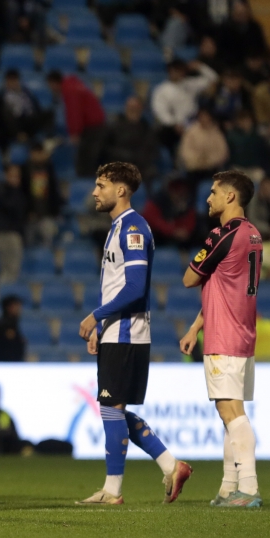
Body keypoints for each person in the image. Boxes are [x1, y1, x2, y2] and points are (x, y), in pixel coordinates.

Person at [76, 162, 192, 506]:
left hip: (128, 333)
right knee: (112, 408)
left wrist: (96, 316)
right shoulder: (117, 228)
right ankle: (171, 466)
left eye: (101, 185)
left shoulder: (133, 228)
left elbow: (135, 288)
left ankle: (113, 491)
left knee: (111, 408)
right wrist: (102, 327)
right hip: (117, 332)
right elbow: (116, 287)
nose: (95, 192)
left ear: (121, 190)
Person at [180, 170, 263, 508]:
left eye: (214, 192)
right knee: (229, 411)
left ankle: (249, 488)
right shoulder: (253, 234)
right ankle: (229, 487)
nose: (208, 198)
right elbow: (224, 285)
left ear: (230, 196)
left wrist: (203, 255)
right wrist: (195, 327)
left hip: (225, 336)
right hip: (242, 333)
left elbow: (189, 279)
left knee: (231, 412)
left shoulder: (223, 234)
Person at [151, 60, 218, 153]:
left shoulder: (190, 83)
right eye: (175, 70)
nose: (178, 73)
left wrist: (200, 67)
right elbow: (160, 111)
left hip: (194, 123)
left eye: (181, 70)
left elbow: (214, 78)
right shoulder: (161, 90)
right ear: (169, 71)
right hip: (174, 127)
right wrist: (174, 124)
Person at [47, 70, 104, 143]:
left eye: (50, 85)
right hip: (96, 121)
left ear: (53, 83)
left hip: (92, 126)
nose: (50, 89)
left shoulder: (69, 90)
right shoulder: (73, 85)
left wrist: (75, 133)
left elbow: (74, 112)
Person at [178, 108, 229, 180]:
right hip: (194, 169)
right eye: (202, 116)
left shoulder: (216, 133)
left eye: (206, 116)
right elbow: (185, 151)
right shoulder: (191, 132)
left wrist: (209, 160)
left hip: (212, 168)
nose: (204, 119)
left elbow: (222, 151)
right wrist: (198, 160)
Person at [0, 296, 25, 362]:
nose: (19, 309)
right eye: (16, 306)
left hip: (12, 363)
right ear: (9, 307)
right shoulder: (3, 324)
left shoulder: (14, 323)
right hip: (4, 363)